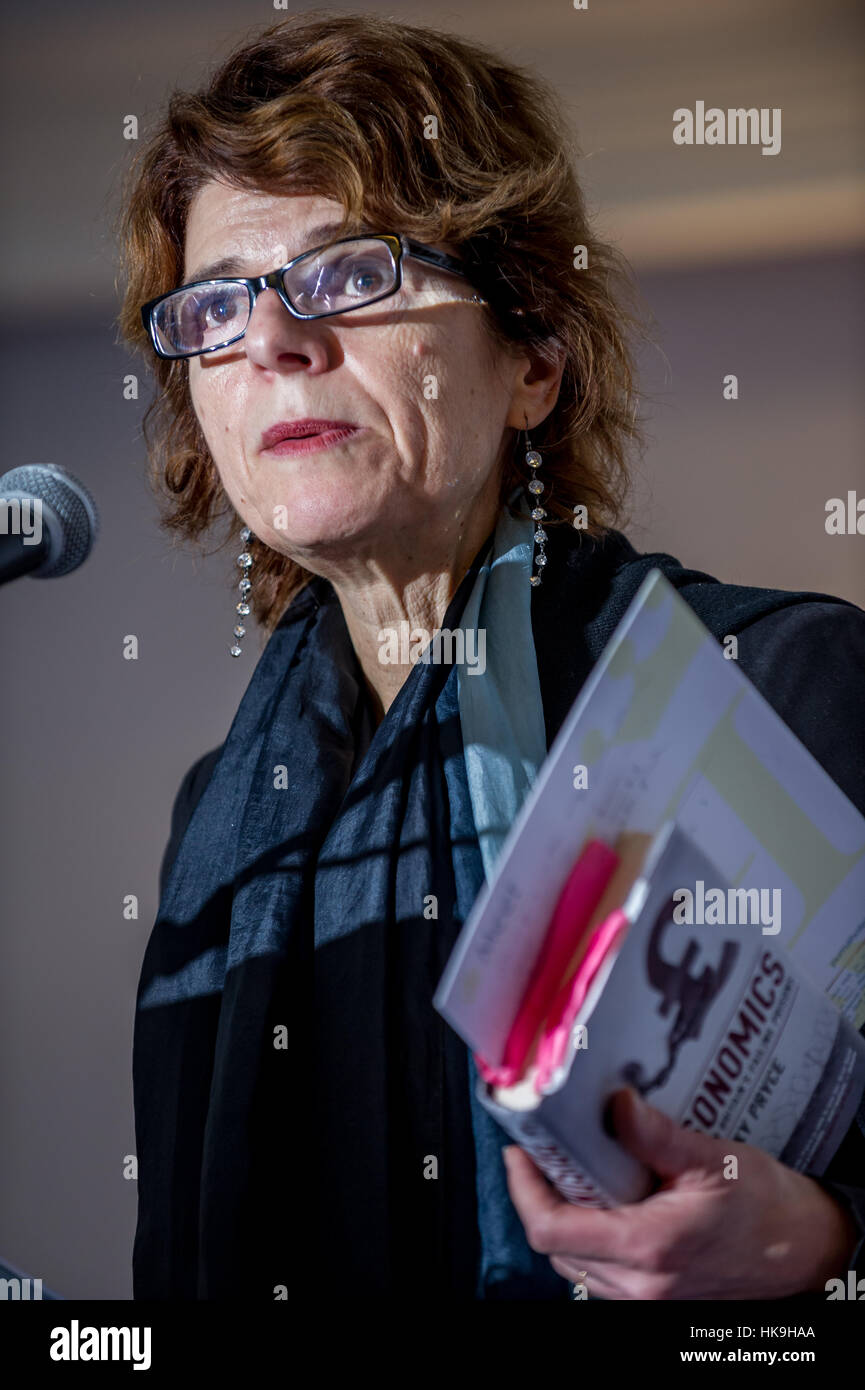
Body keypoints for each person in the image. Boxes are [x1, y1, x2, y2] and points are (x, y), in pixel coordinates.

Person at [116, 12, 865, 1301]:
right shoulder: (221, 828)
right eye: (215, 306)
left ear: (532, 357)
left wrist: (817, 1245)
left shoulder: (782, 689)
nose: (272, 344)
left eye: (349, 275)